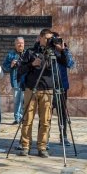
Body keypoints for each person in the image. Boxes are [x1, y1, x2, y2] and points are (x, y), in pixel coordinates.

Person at [17, 29, 67, 158]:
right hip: (31, 89)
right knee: (27, 119)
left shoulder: (55, 52)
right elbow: (20, 70)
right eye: (47, 38)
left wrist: (62, 50)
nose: (49, 41)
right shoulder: (30, 52)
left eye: (51, 38)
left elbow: (65, 63)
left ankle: (42, 147)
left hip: (47, 90)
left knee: (45, 121)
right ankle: (25, 146)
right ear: (40, 38)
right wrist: (31, 64)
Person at [52, 32, 75, 146]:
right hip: (48, 86)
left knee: (62, 113)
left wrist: (63, 50)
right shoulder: (47, 50)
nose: (55, 43)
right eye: (53, 40)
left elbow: (70, 64)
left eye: (57, 40)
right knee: (45, 113)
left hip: (62, 86)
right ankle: (44, 138)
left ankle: (64, 136)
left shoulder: (64, 51)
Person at [2, 37, 26, 125]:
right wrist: (11, 65)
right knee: (17, 100)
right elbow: (4, 66)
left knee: (23, 100)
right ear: (15, 44)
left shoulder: (27, 53)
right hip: (16, 81)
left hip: (25, 81)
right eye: (18, 43)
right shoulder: (11, 55)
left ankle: (23, 117)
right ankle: (17, 118)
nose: (20, 45)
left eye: (22, 43)